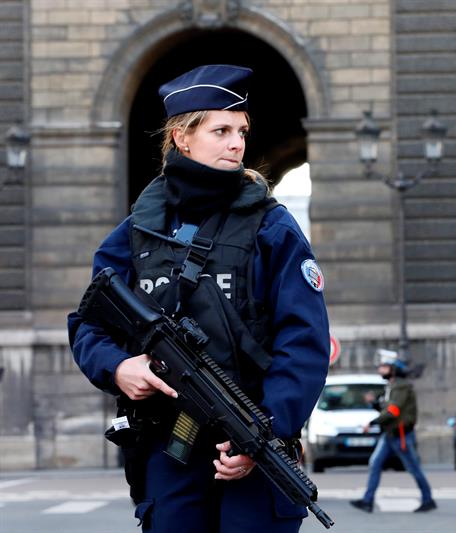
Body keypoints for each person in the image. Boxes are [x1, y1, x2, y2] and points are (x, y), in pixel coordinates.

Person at [67, 65, 329, 533]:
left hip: (249, 440)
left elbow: (304, 341)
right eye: (221, 130)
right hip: (169, 448)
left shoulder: (273, 228)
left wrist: (266, 430)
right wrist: (118, 368)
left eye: (242, 131)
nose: (237, 143)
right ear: (182, 137)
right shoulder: (138, 231)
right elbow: (89, 324)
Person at [350, 349, 437, 513]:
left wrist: (372, 422)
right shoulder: (392, 386)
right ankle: (367, 501)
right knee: (375, 464)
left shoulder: (401, 387)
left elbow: (393, 411)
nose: (380, 370)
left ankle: (428, 499)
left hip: (401, 435)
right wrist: (375, 403)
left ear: (393, 369)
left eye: (383, 367)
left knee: (413, 468)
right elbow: (387, 408)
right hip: (390, 434)